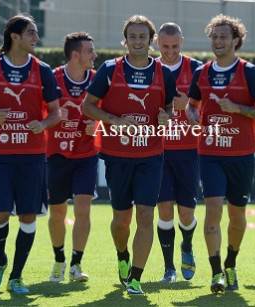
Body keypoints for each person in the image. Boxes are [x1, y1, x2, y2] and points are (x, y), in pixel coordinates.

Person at [0, 14, 60, 294]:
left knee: (28, 217)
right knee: (1, 213)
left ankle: (17, 276)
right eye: (31, 33)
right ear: (14, 37)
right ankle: (0, 261)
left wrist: (42, 124)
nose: (36, 38)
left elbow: (56, 113)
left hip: (32, 155)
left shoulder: (42, 70)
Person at [83, 15, 176, 295]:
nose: (138, 41)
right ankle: (122, 255)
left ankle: (135, 277)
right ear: (126, 40)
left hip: (151, 155)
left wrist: (165, 117)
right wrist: (114, 120)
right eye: (133, 36)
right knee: (121, 220)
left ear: (151, 41)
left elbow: (168, 111)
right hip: (117, 155)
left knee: (146, 215)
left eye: (143, 37)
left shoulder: (164, 73)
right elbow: (88, 107)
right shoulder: (110, 70)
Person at [186, 14, 255, 293]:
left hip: (242, 154)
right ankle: (215, 273)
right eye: (214, 36)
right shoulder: (202, 73)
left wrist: (238, 109)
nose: (218, 41)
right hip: (210, 153)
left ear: (236, 41)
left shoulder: (249, 72)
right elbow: (192, 105)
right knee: (212, 210)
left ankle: (231, 263)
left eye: (223, 36)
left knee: (236, 215)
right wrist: (193, 117)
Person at [47, 32, 98, 283]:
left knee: (83, 208)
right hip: (57, 154)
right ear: (76, 54)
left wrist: (97, 125)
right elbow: (39, 110)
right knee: (57, 212)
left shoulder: (98, 79)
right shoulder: (52, 78)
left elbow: (109, 111)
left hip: (86, 154)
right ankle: (59, 260)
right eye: (90, 51)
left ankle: (77, 264)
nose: (95, 55)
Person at [155, 22, 202, 283]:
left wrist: (188, 108)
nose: (170, 52)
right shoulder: (149, 69)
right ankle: (168, 267)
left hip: (188, 152)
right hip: (158, 152)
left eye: (174, 46)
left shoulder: (197, 70)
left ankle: (187, 245)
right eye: (164, 46)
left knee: (186, 212)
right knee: (164, 209)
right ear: (156, 44)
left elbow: (207, 113)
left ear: (181, 41)